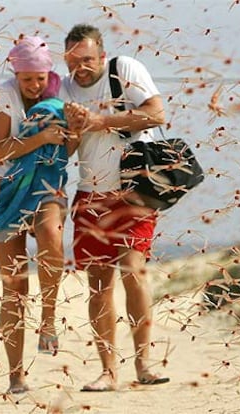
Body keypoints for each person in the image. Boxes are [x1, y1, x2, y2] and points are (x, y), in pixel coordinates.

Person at [60, 24, 170, 391]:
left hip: (134, 187)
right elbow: (67, 151)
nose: (81, 67)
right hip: (91, 191)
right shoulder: (63, 89)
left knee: (133, 270)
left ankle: (143, 364)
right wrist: (75, 129)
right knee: (98, 284)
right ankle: (108, 371)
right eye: (74, 60)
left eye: (87, 59)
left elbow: (156, 114)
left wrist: (100, 120)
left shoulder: (124, 69)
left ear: (101, 56)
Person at [0, 35, 73, 394]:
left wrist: (73, 129)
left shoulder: (61, 92)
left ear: (49, 71)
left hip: (47, 186)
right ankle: (16, 374)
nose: (35, 86)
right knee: (14, 286)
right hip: (3, 192)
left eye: (40, 78)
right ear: (15, 75)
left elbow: (69, 143)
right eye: (27, 80)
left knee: (52, 237)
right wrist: (41, 137)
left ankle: (48, 321)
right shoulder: (2, 96)